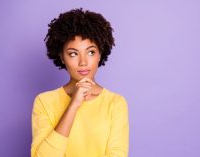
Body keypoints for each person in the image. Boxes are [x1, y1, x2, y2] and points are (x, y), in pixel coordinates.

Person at [31, 8, 129, 157]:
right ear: (62, 57)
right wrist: (74, 104)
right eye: (73, 54)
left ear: (100, 54)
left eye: (90, 52)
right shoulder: (44, 102)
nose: (83, 62)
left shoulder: (115, 103)